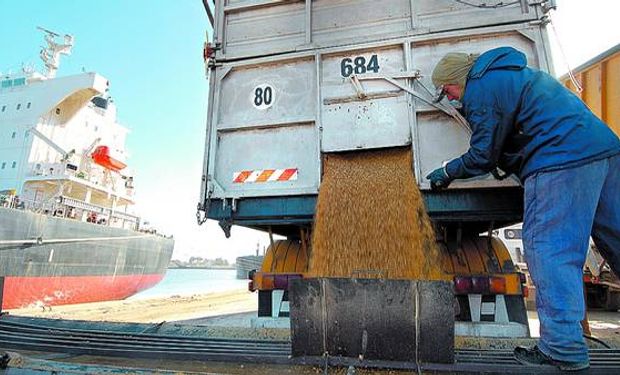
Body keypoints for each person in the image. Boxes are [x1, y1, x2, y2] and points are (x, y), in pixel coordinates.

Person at [427, 46, 620, 371]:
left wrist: (447, 172)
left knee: (549, 249)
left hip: (560, 160)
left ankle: (562, 350)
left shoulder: (482, 89)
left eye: (448, 91)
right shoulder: (513, 75)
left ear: (458, 80)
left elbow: (483, 155)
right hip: (605, 151)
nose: (451, 99)